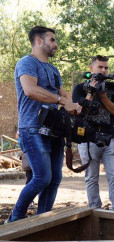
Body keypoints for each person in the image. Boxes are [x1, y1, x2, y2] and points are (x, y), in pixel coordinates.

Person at [7, 26, 79, 223]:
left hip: (54, 130)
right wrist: (61, 100)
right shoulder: (26, 63)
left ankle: (42, 222)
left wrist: (74, 104)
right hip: (32, 128)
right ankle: (15, 220)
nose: (56, 44)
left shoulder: (53, 69)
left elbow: (63, 94)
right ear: (39, 41)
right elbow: (30, 90)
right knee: (42, 178)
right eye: (52, 40)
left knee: (55, 179)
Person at [73, 55, 114, 212]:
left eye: (106, 67)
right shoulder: (80, 88)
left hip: (110, 137)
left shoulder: (113, 87)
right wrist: (91, 91)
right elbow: (78, 111)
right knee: (91, 177)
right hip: (88, 138)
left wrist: (102, 96)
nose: (103, 70)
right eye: (100, 67)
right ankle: (95, 210)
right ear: (91, 69)